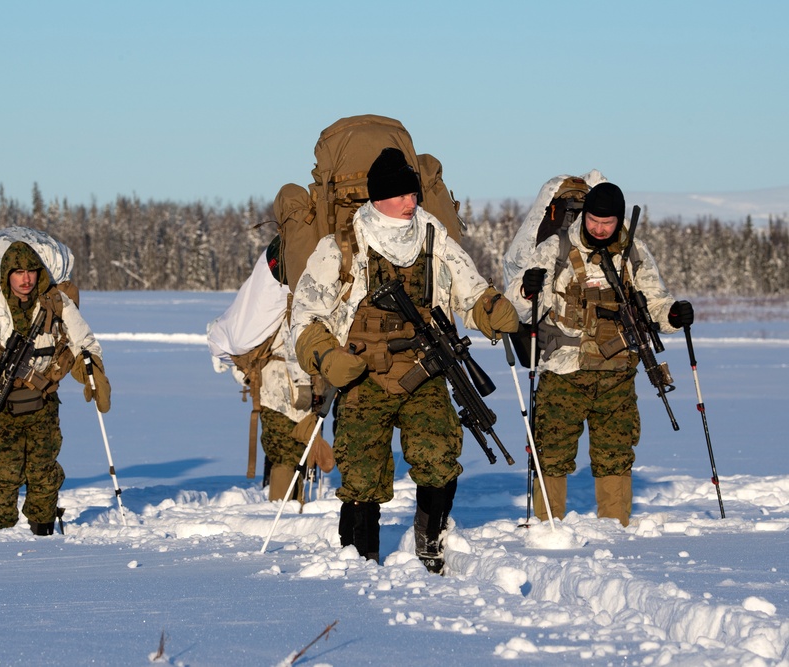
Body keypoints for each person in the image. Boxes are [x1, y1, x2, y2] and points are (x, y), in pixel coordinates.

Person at [290, 147, 520, 572]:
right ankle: (359, 557)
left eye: (413, 193)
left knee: (438, 454)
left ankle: (432, 543)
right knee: (361, 469)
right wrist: (324, 355)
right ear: (377, 198)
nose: (410, 202)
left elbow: (468, 290)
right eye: (399, 195)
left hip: (424, 368)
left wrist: (490, 308)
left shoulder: (434, 238)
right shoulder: (342, 247)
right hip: (362, 376)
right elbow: (304, 315)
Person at [505, 182, 693, 527]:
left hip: (618, 372)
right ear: (585, 215)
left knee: (616, 453)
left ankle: (616, 527)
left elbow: (655, 301)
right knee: (552, 452)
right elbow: (518, 306)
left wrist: (673, 315)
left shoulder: (634, 252)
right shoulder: (555, 249)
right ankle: (548, 528)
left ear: (618, 219)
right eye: (594, 220)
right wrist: (526, 289)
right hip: (564, 371)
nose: (600, 229)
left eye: (608, 223)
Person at [0, 240, 109, 535]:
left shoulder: (58, 303)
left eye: (31, 271)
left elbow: (84, 341)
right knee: (3, 479)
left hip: (42, 405)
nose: (26, 279)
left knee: (44, 476)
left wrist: (93, 373)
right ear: (7, 274)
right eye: (18, 272)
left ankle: (43, 537)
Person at [207, 236, 320, 502]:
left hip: (270, 383)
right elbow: (295, 342)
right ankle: (287, 510)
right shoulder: (296, 295)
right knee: (289, 452)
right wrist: (305, 384)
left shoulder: (275, 289)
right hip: (290, 384)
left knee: (283, 450)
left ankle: (283, 506)